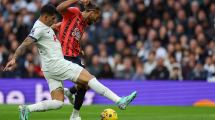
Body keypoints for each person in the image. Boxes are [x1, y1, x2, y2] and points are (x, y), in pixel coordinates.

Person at [3, 4, 137, 120]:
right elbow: (25, 43)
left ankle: (27, 109)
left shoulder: (43, 26)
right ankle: (119, 101)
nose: (54, 20)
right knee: (89, 79)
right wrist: (14, 57)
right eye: (52, 18)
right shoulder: (39, 29)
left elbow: (53, 30)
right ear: (45, 17)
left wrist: (57, 27)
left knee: (58, 102)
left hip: (49, 69)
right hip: (57, 64)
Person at [51, 0, 101, 119]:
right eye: (97, 16)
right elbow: (59, 9)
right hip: (65, 56)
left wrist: (79, 47)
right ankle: (74, 113)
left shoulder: (83, 23)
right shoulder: (75, 12)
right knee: (87, 81)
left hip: (74, 55)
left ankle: (71, 96)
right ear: (91, 12)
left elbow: (69, 32)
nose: (96, 20)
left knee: (85, 84)